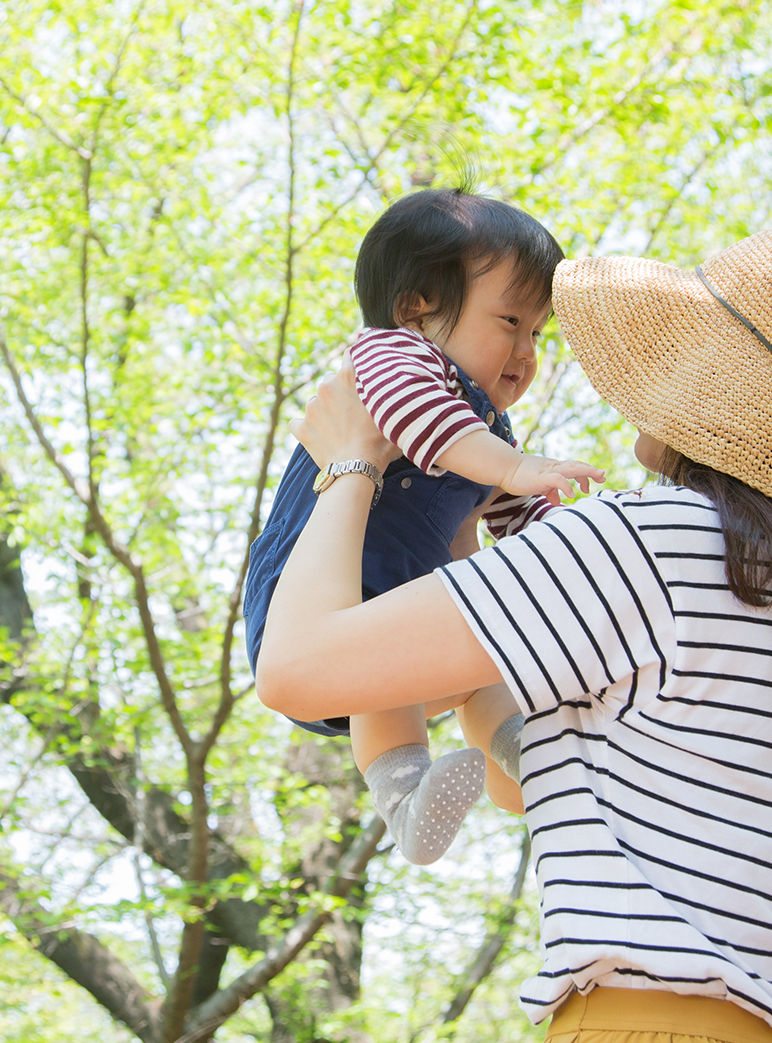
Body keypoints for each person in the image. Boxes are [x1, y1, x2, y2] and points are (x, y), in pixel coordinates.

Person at [255, 224, 772, 1043]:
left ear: (712, 390)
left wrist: (351, 460)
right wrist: (463, 526)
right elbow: (520, 783)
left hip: (636, 1025)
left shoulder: (651, 541)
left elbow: (292, 670)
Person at [242, 188, 604, 865]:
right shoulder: (394, 359)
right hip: (316, 603)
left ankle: (524, 747)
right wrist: (519, 466)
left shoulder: (488, 431)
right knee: (379, 683)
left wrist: (555, 538)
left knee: (481, 660)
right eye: (510, 321)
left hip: (398, 612)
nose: (527, 352)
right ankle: (401, 790)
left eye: (537, 333)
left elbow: (513, 519)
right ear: (415, 309)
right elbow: (424, 425)